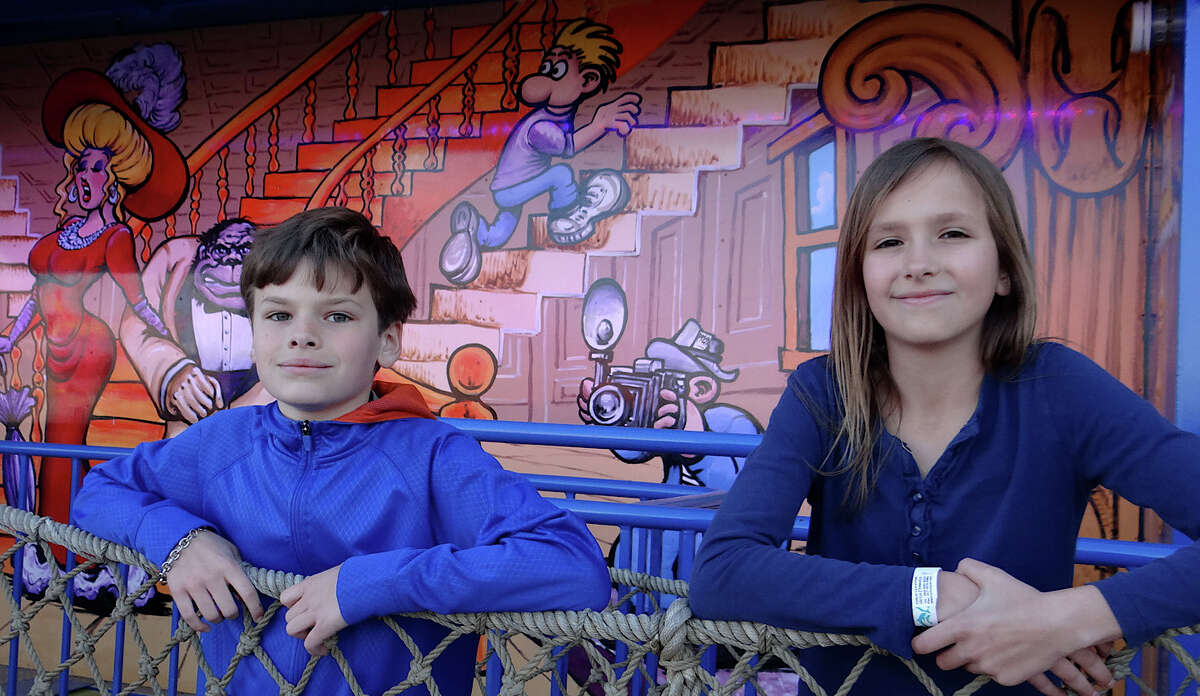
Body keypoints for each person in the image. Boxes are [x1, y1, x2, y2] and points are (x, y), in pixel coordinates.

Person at [689, 137, 1200, 696]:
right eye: (889, 241)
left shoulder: (1061, 389)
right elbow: (723, 573)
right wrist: (930, 594)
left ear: (1004, 269)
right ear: (861, 279)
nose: (919, 264)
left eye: (952, 234)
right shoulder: (823, 393)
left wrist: (1075, 616)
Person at [71, 207, 612, 695]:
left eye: (337, 316)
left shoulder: (431, 456)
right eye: (279, 315)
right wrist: (179, 540)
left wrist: (375, 583)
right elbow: (98, 491)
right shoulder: (222, 442)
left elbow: (574, 568)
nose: (302, 336)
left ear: (388, 340)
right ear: (254, 331)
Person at [0, 68, 188, 531]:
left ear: (115, 179)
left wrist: (166, 336)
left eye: (97, 167)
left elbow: (135, 297)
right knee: (48, 440)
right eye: (81, 165)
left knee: (66, 441)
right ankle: (54, 545)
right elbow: (37, 300)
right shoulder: (57, 235)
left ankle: (69, 545)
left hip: (87, 348)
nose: (85, 175)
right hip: (54, 345)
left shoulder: (115, 236)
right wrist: (10, 338)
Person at [439, 18, 641, 285]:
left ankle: (473, 231)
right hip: (513, 188)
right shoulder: (541, 126)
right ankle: (567, 215)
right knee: (560, 174)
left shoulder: (550, 118)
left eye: (556, 70)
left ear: (588, 81)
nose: (543, 76)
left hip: (511, 187)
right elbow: (568, 147)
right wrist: (600, 124)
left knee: (500, 233)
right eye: (547, 67)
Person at [119, 218, 271, 437]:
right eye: (222, 250)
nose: (231, 261)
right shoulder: (177, 258)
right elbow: (138, 319)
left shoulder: (279, 273)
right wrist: (172, 372)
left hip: (255, 417)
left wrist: (255, 402)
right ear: (203, 252)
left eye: (243, 250)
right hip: (189, 417)